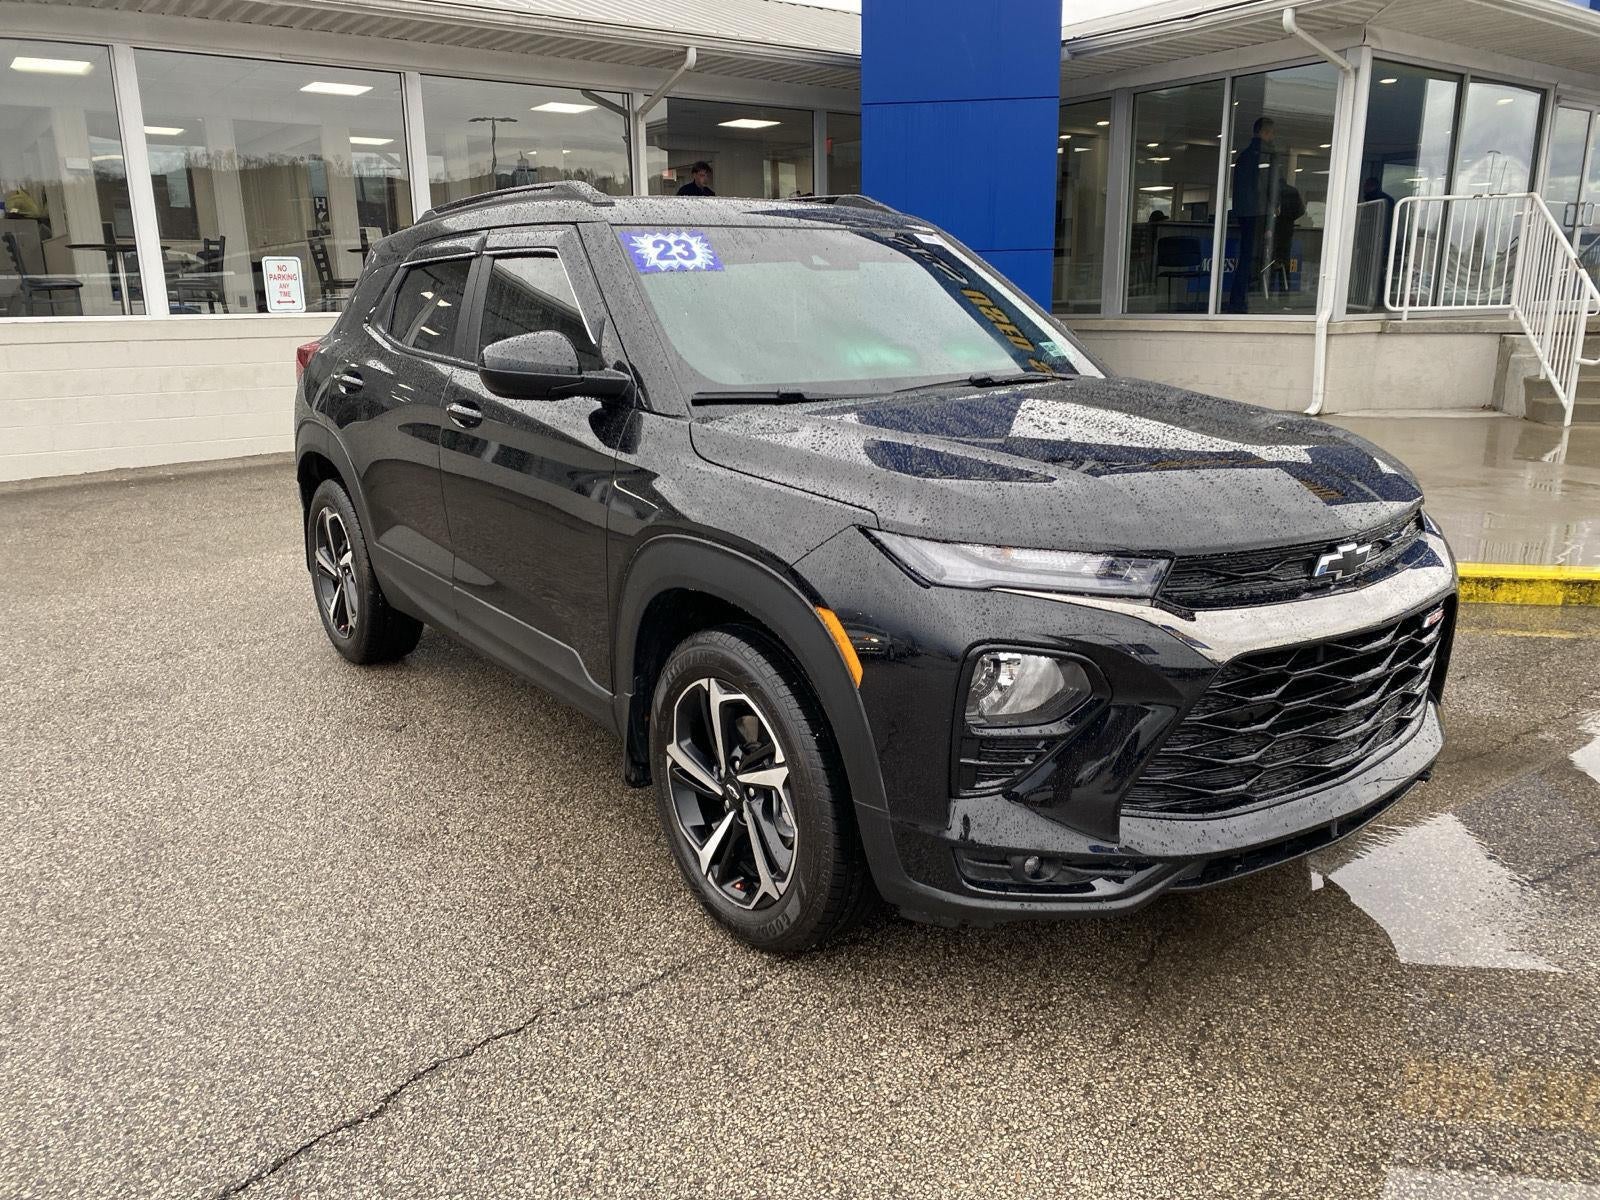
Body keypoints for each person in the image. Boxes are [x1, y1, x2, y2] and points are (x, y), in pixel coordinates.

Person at [1227, 116, 1276, 312]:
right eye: (1271, 133)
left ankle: (1238, 300)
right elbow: (1265, 187)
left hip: (1245, 213)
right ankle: (1242, 301)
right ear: (1264, 132)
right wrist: (1272, 208)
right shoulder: (1263, 156)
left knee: (1247, 257)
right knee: (1253, 259)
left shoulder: (1244, 156)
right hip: (1257, 213)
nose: (1272, 137)